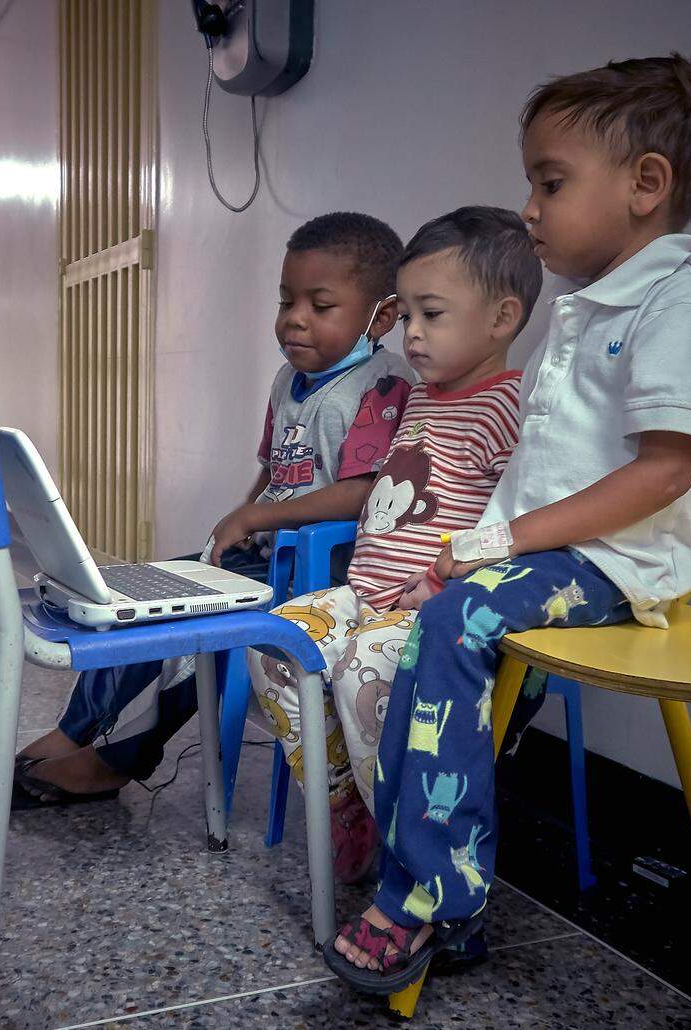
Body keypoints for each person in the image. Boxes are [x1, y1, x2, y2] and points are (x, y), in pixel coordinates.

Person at [327, 53, 691, 995]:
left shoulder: (681, 314)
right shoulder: (583, 312)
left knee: (446, 627)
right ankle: (446, 885)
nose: (529, 207)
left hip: (618, 564)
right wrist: (462, 549)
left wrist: (497, 547)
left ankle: (430, 894)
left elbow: (663, 472)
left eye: (550, 182)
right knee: (416, 629)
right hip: (551, 554)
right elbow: (530, 471)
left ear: (647, 186)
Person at [0, 212, 415, 807]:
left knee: (187, 634)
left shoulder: (383, 384)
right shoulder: (286, 380)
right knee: (137, 598)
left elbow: (365, 489)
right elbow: (276, 473)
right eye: (286, 300)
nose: (295, 318)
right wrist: (239, 524)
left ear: (382, 315)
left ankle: (118, 759)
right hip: (267, 554)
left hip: (325, 574)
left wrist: (254, 520)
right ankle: (77, 730)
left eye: (321, 306)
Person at [247, 207, 540, 885]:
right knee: (273, 643)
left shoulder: (509, 404)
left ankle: (411, 845)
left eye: (430, 315)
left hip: (432, 612)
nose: (410, 334)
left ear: (501, 319)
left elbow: (520, 523)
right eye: (405, 314)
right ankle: (346, 804)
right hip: (367, 593)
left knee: (359, 667)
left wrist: (449, 584)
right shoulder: (418, 398)